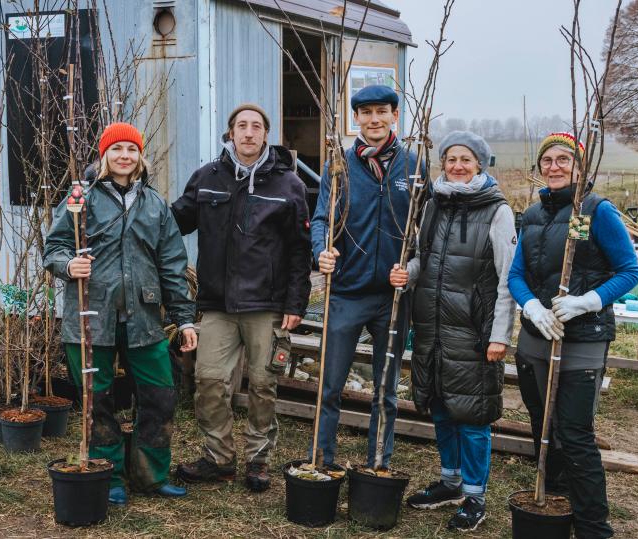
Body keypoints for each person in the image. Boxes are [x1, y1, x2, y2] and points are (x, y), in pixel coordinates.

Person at [43, 122, 197, 505]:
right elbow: (54, 247)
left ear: (140, 155)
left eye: (131, 149)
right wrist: (68, 265)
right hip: (91, 317)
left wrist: (185, 318)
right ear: (105, 155)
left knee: (160, 395)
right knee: (98, 401)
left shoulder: (155, 204)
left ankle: (150, 475)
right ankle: (107, 475)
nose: (124, 156)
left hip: (145, 318)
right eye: (117, 149)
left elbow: (173, 264)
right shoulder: (82, 197)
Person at [171, 104, 312, 492]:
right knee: (209, 380)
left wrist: (295, 303)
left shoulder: (289, 185)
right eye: (241, 126)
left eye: (256, 127)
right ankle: (219, 459)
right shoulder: (207, 177)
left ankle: (258, 460)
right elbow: (174, 222)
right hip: (217, 304)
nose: (248, 133)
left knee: (264, 385)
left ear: (266, 134)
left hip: (267, 306)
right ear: (230, 133)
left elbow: (301, 251)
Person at [507, 132, 638, 539]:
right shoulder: (531, 215)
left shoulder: (598, 211)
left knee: (576, 433)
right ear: (539, 168)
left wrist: (587, 301)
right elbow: (516, 274)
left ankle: (593, 527)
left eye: (564, 160)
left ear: (580, 167)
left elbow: (629, 272)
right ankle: (554, 505)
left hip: (582, 340)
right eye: (547, 160)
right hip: (535, 338)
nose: (555, 167)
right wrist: (531, 307)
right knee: (541, 426)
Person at [388, 131, 516, 532]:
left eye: (466, 159)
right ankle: (451, 482)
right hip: (432, 329)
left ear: (480, 164)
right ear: (442, 164)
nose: (457, 166)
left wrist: (500, 334)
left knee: (473, 418)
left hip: (473, 333)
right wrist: (405, 274)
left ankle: (475, 496)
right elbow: (424, 259)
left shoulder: (497, 211)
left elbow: (508, 279)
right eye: (451, 159)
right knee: (441, 407)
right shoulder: (432, 205)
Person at [312, 84, 422, 468]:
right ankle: (322, 460)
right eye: (366, 113)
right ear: (355, 118)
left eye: (382, 112)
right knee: (330, 386)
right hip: (347, 292)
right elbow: (322, 218)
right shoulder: (339, 165)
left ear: (395, 115)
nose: (374, 119)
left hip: (393, 298)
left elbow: (424, 231)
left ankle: (378, 463)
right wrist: (321, 252)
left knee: (385, 389)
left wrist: (410, 271)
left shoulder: (414, 166)